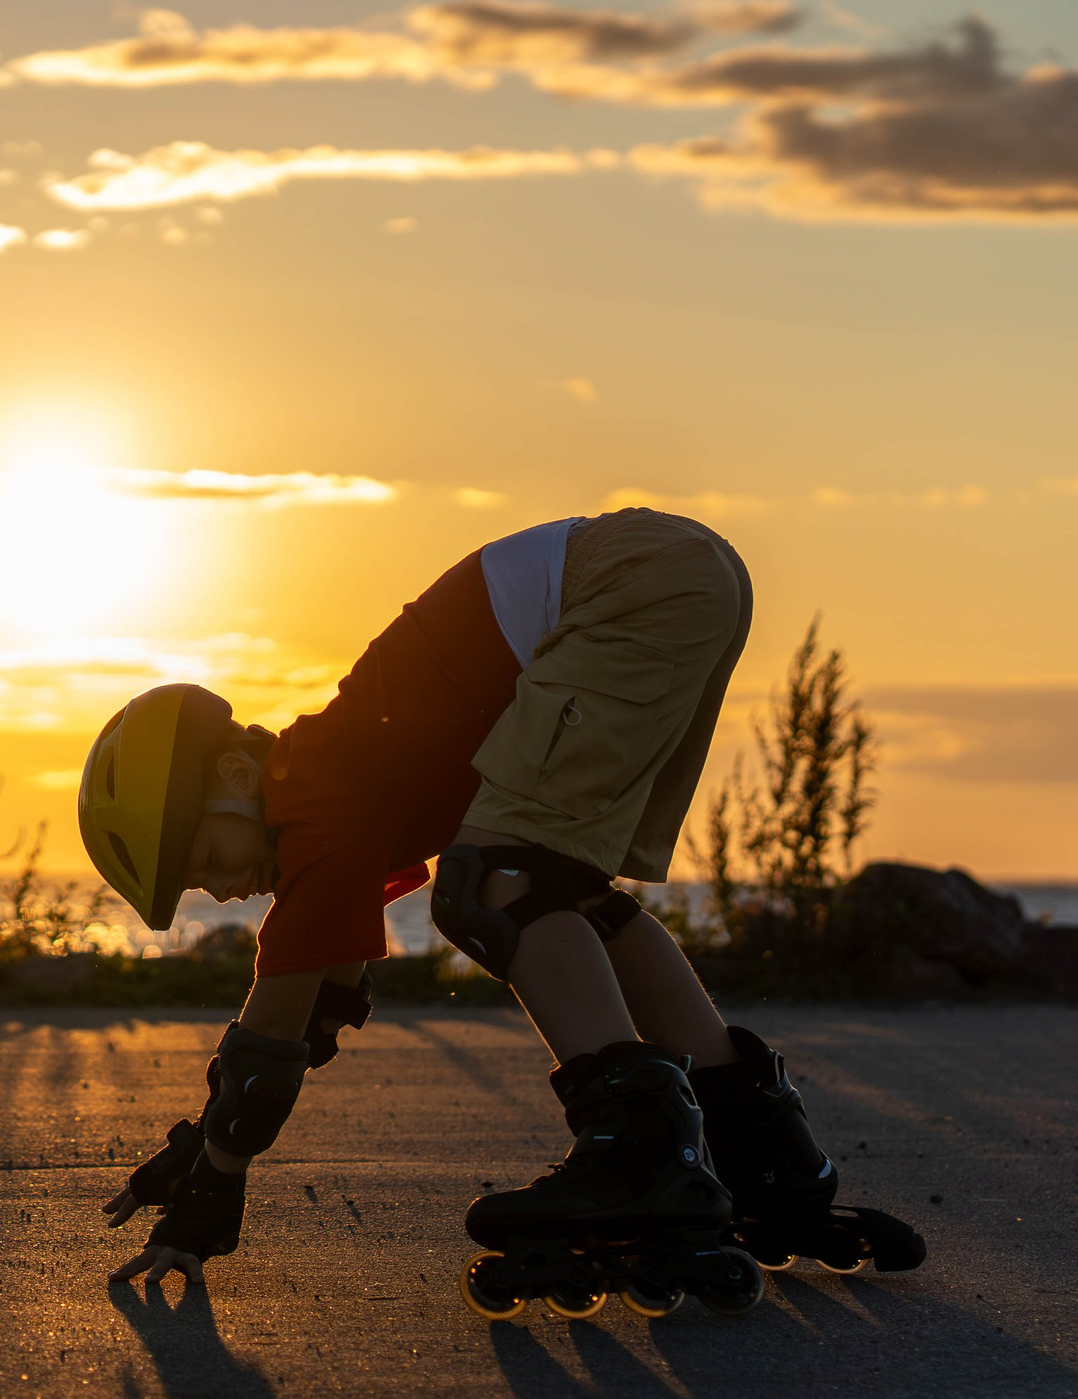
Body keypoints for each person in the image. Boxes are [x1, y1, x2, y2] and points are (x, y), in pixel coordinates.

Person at [77, 508, 922, 1314]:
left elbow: (268, 1039)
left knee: (491, 885)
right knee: (561, 891)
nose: (224, 891)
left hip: (625, 584)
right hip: (673, 572)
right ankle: (761, 1152)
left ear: (231, 777)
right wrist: (199, 1150)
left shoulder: (315, 800)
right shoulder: (333, 789)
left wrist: (208, 1198)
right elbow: (314, 1016)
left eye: (208, 861)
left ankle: (636, 1153)